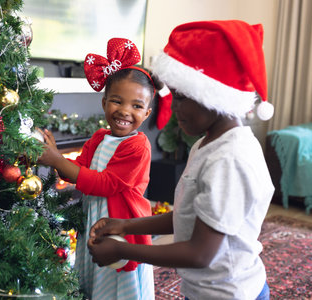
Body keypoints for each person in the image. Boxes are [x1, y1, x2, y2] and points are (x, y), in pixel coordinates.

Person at [87, 20, 275, 300]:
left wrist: (122, 249)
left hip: (229, 293)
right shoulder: (207, 143)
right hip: (203, 291)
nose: (174, 108)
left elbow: (199, 254)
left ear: (212, 94)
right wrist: (124, 226)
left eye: (182, 98)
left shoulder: (229, 160)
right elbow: (187, 216)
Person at [37, 38, 157, 300]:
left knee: (117, 277)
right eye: (117, 101)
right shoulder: (98, 138)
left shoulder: (138, 146)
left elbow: (107, 184)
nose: (125, 111)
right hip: (93, 216)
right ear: (104, 103)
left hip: (120, 223)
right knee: (93, 272)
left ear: (146, 113)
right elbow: (73, 172)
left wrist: (57, 159)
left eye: (136, 106)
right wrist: (54, 157)